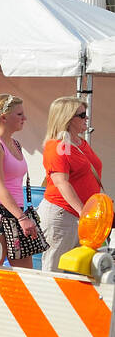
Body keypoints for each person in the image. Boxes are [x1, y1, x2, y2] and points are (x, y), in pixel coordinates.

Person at [0, 93, 39, 269]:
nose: (24, 118)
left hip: (15, 212)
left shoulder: (14, 143)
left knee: (25, 274)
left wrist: (20, 215)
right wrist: (22, 217)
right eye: (19, 114)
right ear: (3, 117)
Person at [39, 96, 103, 272]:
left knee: (79, 267)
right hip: (64, 213)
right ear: (67, 118)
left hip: (79, 214)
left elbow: (86, 177)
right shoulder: (58, 145)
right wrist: (83, 211)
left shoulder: (79, 143)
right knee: (55, 268)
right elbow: (61, 183)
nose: (87, 118)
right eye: (82, 115)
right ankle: (49, 300)